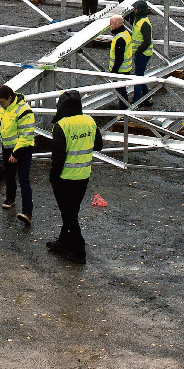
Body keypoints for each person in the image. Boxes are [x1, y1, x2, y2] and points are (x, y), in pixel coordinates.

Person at [47, 89, 103, 264]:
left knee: (69, 215)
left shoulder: (61, 125)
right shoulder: (89, 121)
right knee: (71, 212)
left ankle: (79, 251)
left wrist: (52, 178)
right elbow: (99, 145)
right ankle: (64, 242)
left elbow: (58, 157)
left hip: (65, 178)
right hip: (83, 176)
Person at [0, 85, 35, 225]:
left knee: (23, 179)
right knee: (8, 175)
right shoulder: (0, 107)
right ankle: (10, 198)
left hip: (23, 148)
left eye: (2, 102)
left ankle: (27, 212)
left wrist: (16, 153)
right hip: (7, 147)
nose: (0, 105)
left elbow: (26, 135)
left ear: (10, 98)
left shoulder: (24, 110)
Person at [130, 0, 153, 106]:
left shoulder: (144, 23)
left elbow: (147, 41)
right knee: (140, 75)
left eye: (135, 9)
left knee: (137, 78)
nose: (134, 10)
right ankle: (147, 97)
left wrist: (138, 51)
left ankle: (137, 101)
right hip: (141, 53)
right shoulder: (139, 20)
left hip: (143, 54)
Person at [108, 15, 133, 105]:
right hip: (125, 69)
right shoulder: (125, 34)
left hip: (120, 70)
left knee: (121, 92)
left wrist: (113, 72)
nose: (110, 26)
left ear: (117, 25)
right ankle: (124, 111)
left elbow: (119, 58)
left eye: (111, 24)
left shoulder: (120, 38)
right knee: (121, 91)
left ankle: (124, 112)